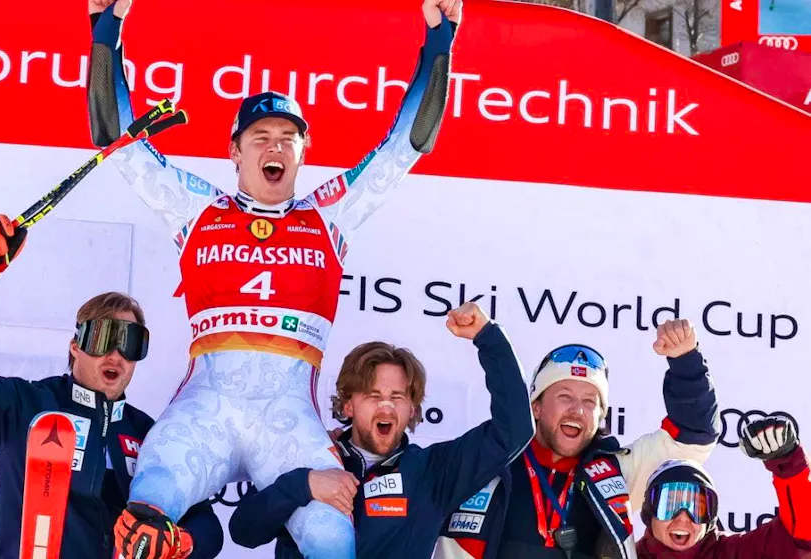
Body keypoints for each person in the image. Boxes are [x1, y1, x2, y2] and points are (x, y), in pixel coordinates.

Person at [84, 0, 463, 557]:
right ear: (234, 150)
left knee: (334, 536)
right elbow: (117, 140)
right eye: (260, 136)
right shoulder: (198, 210)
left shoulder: (327, 216)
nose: (274, 146)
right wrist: (106, 29)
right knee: (149, 503)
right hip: (206, 408)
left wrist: (439, 41)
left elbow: (407, 146)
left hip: (285, 422)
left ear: (303, 153)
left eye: (288, 137)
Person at [0, 215, 222, 559]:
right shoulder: (25, 408)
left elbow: (207, 524)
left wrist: (181, 542)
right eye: (102, 338)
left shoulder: (151, 434)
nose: (115, 355)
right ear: (75, 347)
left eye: (130, 343)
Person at [225, 302, 535, 558]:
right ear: (348, 405)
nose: (385, 407)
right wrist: (303, 486)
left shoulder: (434, 472)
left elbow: (514, 429)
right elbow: (244, 531)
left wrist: (488, 337)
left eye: (397, 397)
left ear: (411, 409)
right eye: (373, 396)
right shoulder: (308, 457)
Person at [436, 318, 721, 559]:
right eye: (564, 397)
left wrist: (687, 363)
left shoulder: (616, 472)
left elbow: (692, 440)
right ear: (535, 406)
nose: (577, 410)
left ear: (600, 417)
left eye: (589, 401)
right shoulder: (487, 461)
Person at [637, 415, 811, 558]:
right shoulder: (625, 555)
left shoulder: (734, 554)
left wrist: (789, 465)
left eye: (696, 508)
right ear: (649, 512)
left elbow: (801, 539)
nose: (683, 518)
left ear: (710, 518)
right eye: (669, 505)